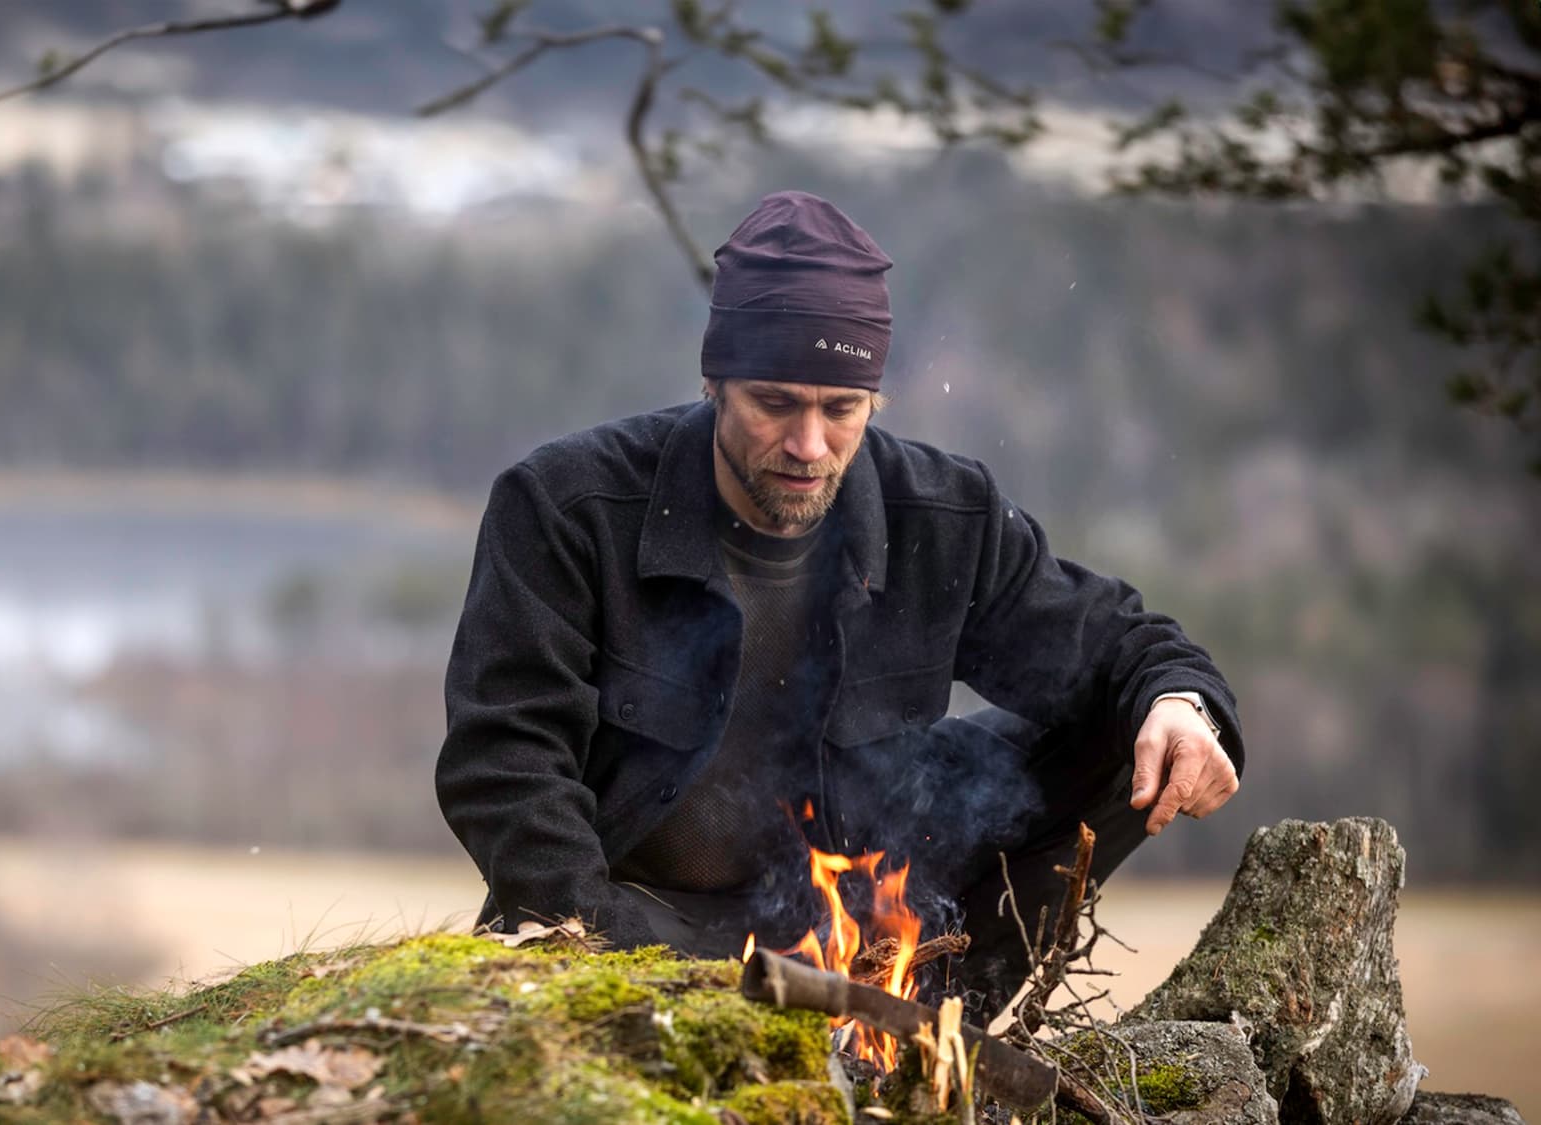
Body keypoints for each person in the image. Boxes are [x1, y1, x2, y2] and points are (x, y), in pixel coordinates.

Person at [433, 190, 1242, 1015]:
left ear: (875, 402)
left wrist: (1179, 703)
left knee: (1123, 729)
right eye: (775, 402)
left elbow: (1114, 642)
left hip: (858, 934)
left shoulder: (943, 514)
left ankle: (925, 1025)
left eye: (840, 408)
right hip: (643, 927)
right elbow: (505, 764)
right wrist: (611, 966)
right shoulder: (566, 507)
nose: (809, 445)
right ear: (714, 381)